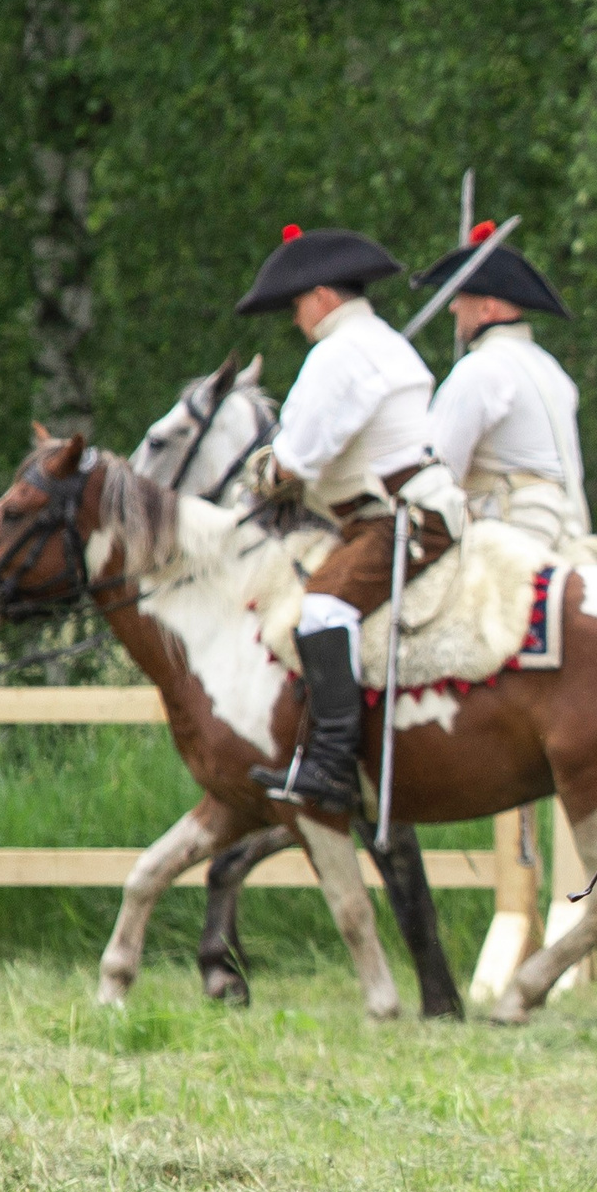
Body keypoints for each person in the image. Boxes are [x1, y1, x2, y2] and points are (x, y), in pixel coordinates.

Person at [234, 225, 467, 816]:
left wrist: (263, 474)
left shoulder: (338, 353)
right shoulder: (380, 342)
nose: (295, 318)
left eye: (296, 305)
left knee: (321, 607)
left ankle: (332, 764)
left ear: (322, 296)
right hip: (398, 510)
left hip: (399, 519)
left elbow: (297, 459)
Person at [421, 227, 597, 560]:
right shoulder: (552, 368)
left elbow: (438, 470)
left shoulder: (480, 368)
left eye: (461, 298)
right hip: (562, 529)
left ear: (487, 309)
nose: (452, 309)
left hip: (509, 536)